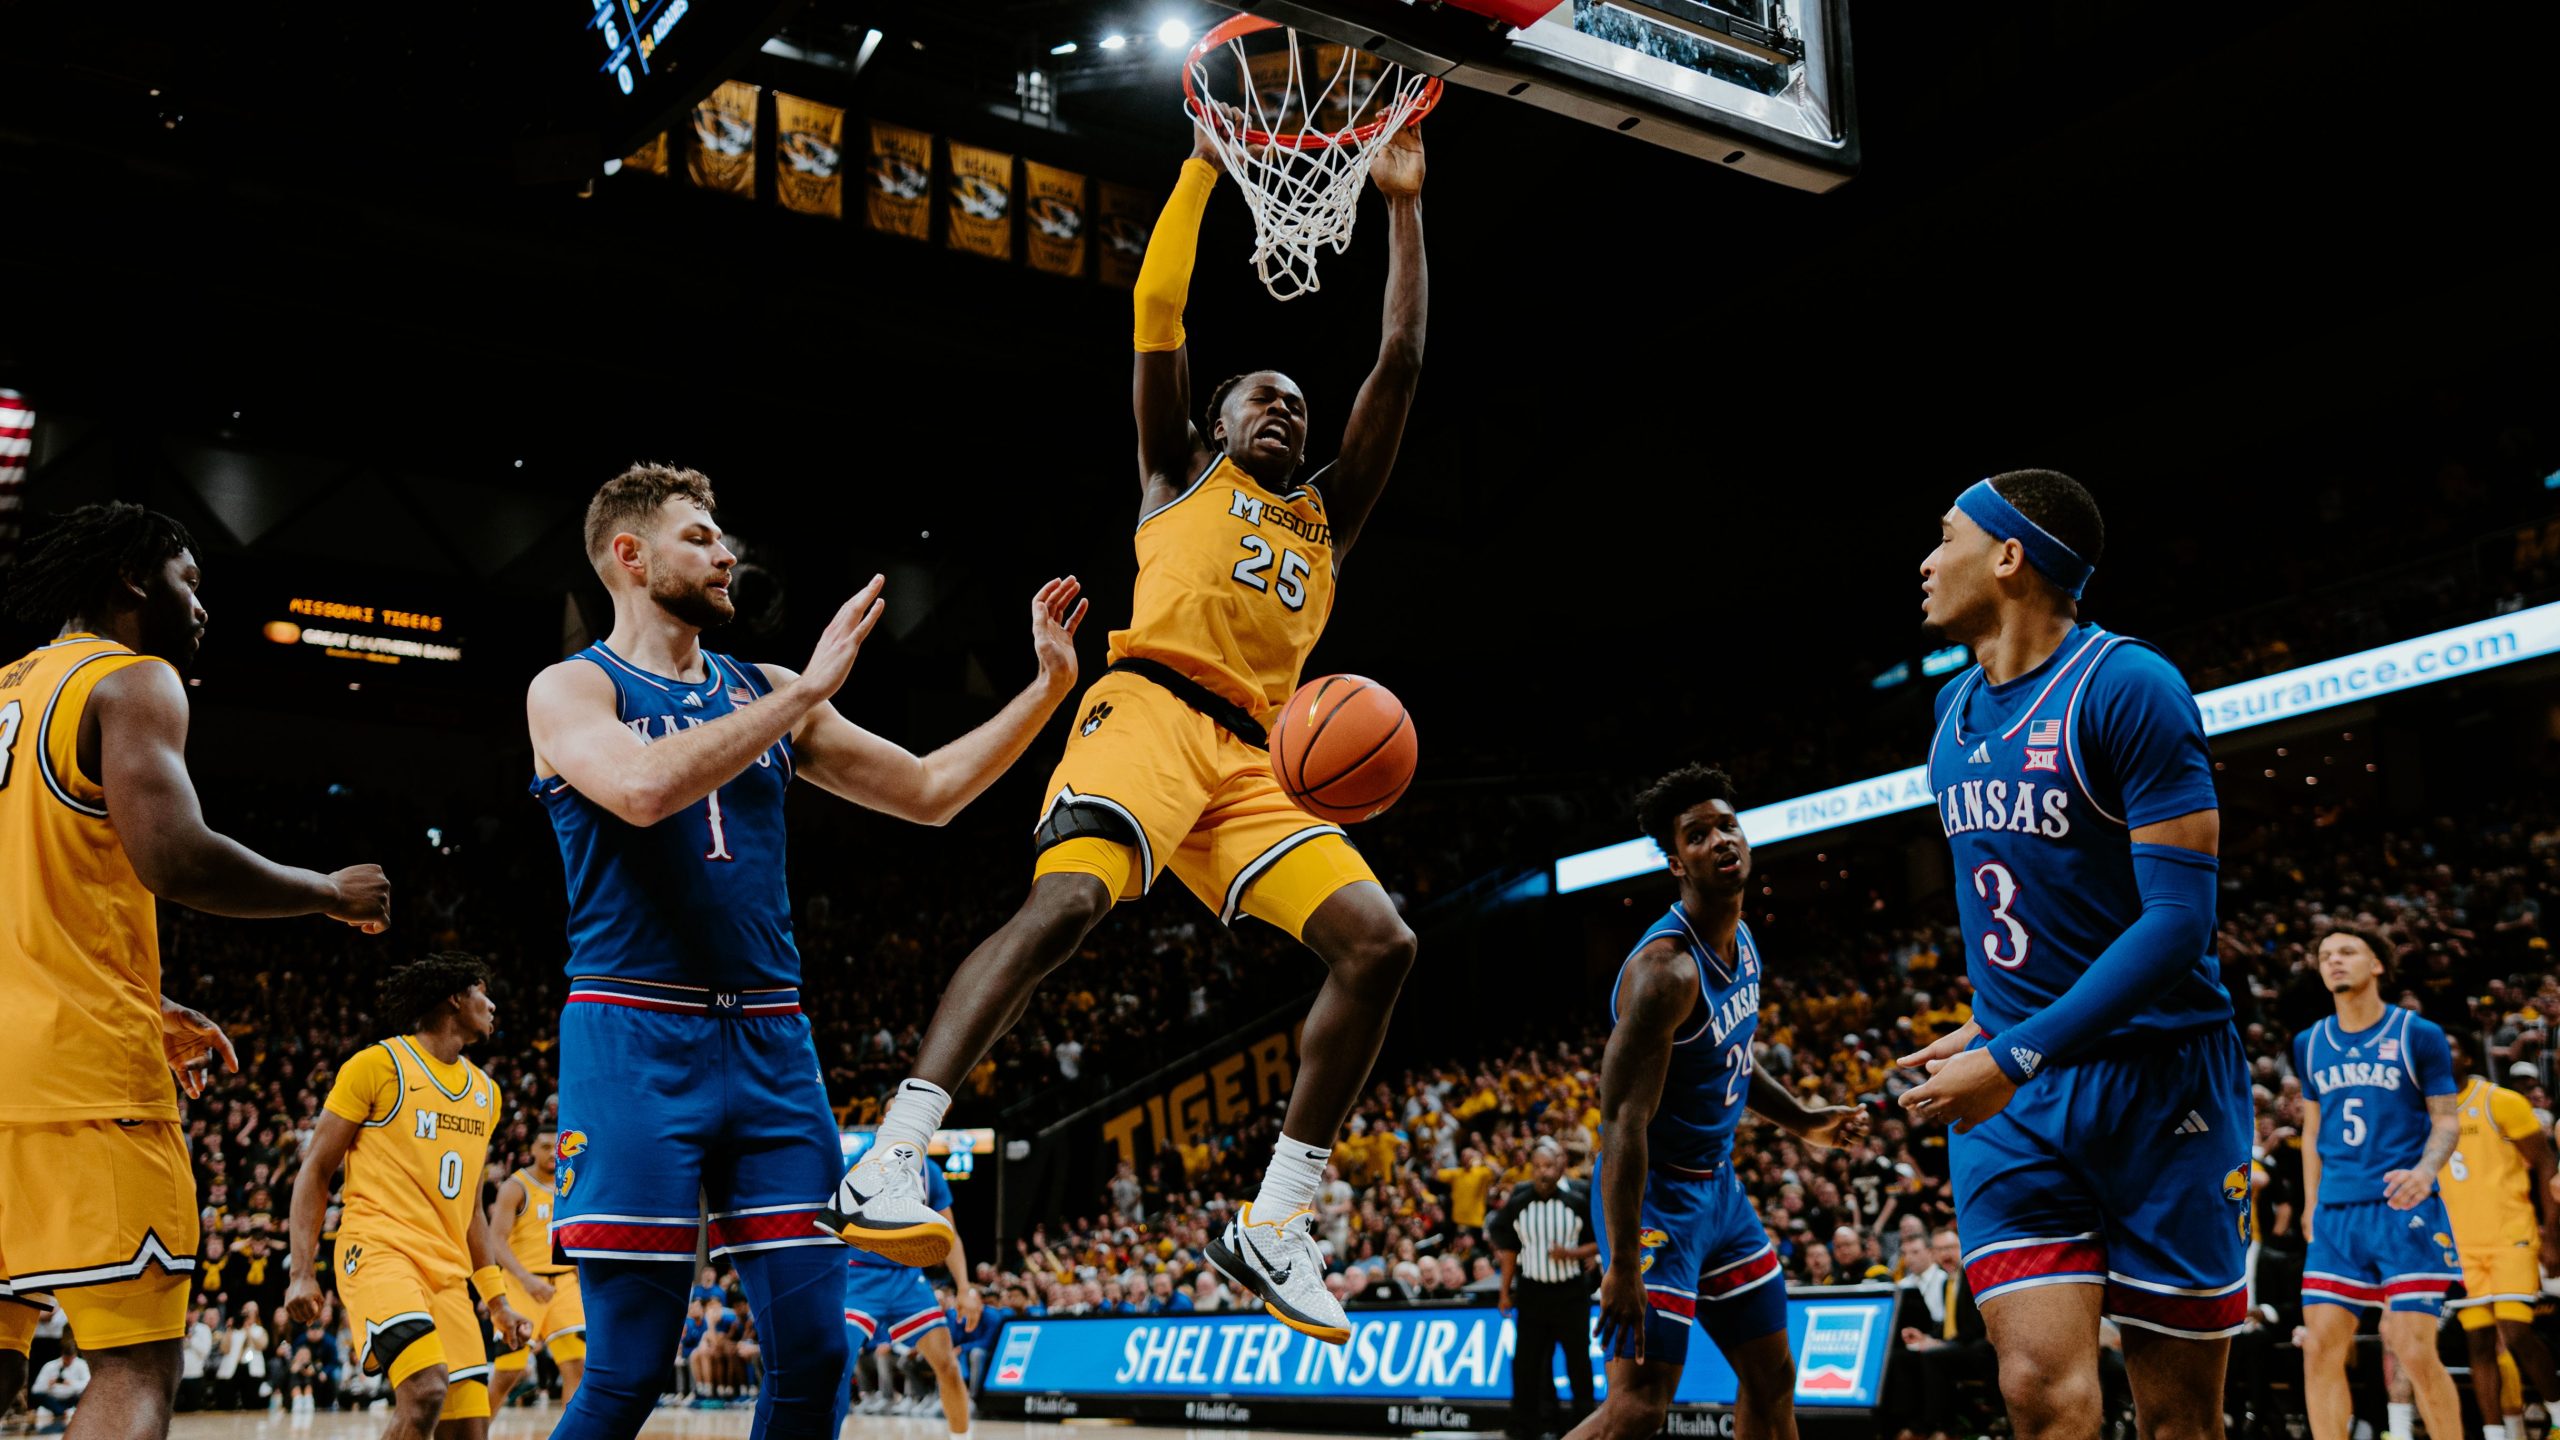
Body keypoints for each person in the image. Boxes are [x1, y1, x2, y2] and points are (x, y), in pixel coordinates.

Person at [826, 101, 1431, 1350]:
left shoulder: (1330, 519)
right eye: (1263, 400)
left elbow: (1400, 367)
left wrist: (1404, 208)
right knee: (1065, 909)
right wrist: (1201, 175)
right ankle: (894, 1151)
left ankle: (1274, 1222)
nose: (1287, 414)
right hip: (1145, 712)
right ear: (1213, 422)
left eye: (1297, 411)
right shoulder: (1176, 473)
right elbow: (1157, 315)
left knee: (1382, 945)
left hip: (1258, 762)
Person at [524, 464, 1086, 1440]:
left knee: (820, 1354)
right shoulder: (572, 688)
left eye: (720, 536)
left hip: (775, 1045)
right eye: (699, 536)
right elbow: (642, 790)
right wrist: (805, 697)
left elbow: (931, 790)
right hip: (631, 1035)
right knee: (628, 1365)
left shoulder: (767, 688)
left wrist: (1047, 693)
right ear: (629, 555)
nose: (724, 552)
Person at [0, 501, 390, 1440]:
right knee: (134, 1364)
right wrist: (325, 891)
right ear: (134, 579)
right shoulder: (130, 680)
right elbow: (176, 857)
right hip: (80, 1084)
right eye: (190, 582)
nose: (202, 608)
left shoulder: (7, 691)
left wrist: (148, 992)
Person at [1900, 470, 2248, 1440]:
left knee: (2178, 1415)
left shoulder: (2128, 685)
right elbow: (2043, 911)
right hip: (2022, 1097)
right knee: (2037, 1393)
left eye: (1946, 537)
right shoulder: (1950, 714)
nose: (1927, 562)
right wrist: (1988, 1026)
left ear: (2009, 558)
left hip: (2160, 1081)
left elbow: (2178, 924)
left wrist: (2011, 1051)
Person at [1571, 765, 1869, 1440]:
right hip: (1657, 1202)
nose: (1720, 840)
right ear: (1677, 861)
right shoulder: (1664, 975)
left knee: (1773, 1379)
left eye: (1727, 825)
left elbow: (1728, 1056)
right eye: (1698, 834)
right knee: (1639, 1406)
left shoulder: (1742, 939)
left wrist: (1800, 1120)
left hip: (1723, 1194)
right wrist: (1620, 1264)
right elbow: (1620, 1124)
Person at [282, 954, 534, 1440]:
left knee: (470, 1430)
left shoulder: (487, 1093)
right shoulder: (378, 1065)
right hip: (379, 1253)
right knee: (425, 1390)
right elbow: (314, 1171)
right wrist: (300, 1272)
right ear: (456, 998)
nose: (493, 1004)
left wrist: (498, 1303)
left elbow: (471, 1212)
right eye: (483, 991)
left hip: (448, 1274)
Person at [2293, 926, 2464, 1440]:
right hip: (2336, 1213)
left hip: (2402, 1209)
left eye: (2348, 952)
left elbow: (2447, 1120)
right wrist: (2310, 1204)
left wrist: (2426, 1170)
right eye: (2326, 955)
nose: (2335, 961)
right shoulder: (2309, 1042)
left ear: (2378, 965)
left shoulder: (2418, 1034)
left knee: (2412, 1347)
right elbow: (2312, 1132)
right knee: (2320, 1348)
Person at [2439, 1029, 2560, 1440]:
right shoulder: (2425, 1113)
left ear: (2468, 1058)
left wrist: (2552, 1237)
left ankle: (2558, 1415)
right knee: (2478, 1343)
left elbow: (2546, 1167)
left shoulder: (2500, 1101)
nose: (2440, 1052)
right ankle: (2495, 1434)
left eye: (2450, 1044)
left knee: (2517, 1332)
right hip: (2461, 1246)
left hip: (2512, 1235)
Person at [830, 1151, 973, 1440]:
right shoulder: (861, 1161)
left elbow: (951, 1233)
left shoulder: (930, 1171)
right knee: (836, 1367)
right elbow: (833, 1218)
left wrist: (964, 1287)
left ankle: (962, 1437)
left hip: (907, 1278)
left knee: (947, 1364)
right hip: (860, 1274)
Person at [1491, 1143, 1596, 1440]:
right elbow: (1510, 1250)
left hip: (1571, 1295)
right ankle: (1525, 1427)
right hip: (1532, 1293)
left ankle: (1584, 1424)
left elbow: (1598, 1241)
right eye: (1537, 1167)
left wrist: (1572, 1254)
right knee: (1527, 1366)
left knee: (1579, 1364)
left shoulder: (1576, 1200)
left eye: (1548, 1167)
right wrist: (1504, 1292)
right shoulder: (1519, 1202)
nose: (1542, 1173)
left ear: (1559, 1167)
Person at [484, 1130, 585, 1406]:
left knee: (578, 1366)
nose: (553, 1152)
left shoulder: (569, 1184)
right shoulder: (515, 1187)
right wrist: (526, 1279)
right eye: (545, 1146)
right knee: (509, 1371)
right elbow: (495, 1240)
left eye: (558, 1147)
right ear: (532, 1150)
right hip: (522, 1284)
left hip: (563, 1284)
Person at [31, 1339, 86, 1434]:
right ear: (62, 1354)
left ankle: (61, 1411)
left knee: (84, 1395)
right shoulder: (50, 1366)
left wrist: (71, 1383)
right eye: (66, 1358)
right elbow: (35, 1390)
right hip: (53, 1400)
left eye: (70, 1358)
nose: (68, 1361)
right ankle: (61, 1411)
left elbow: (87, 1384)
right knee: (39, 1396)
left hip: (71, 1399)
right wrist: (48, 1384)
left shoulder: (81, 1365)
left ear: (75, 1355)